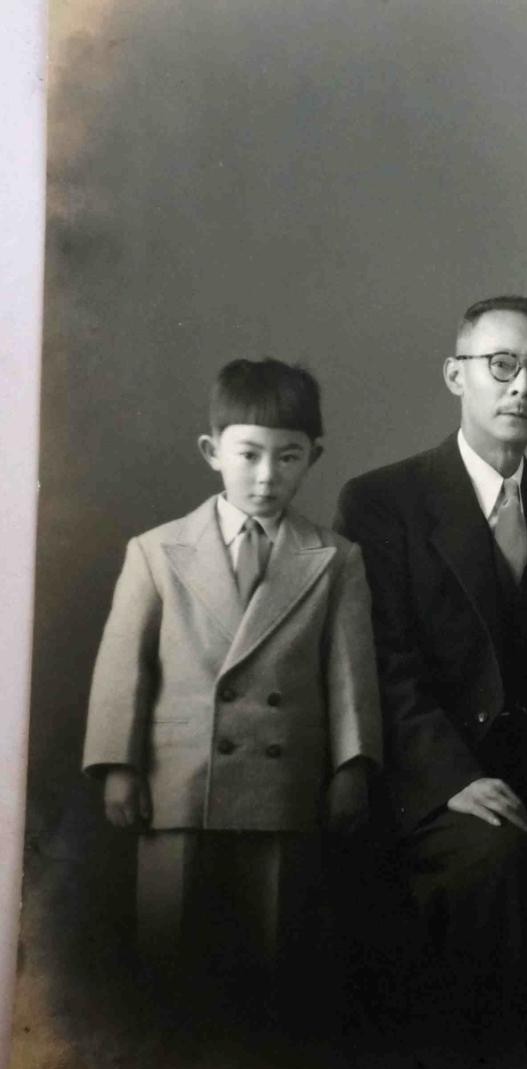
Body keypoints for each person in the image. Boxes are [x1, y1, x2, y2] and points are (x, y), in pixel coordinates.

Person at [334, 296, 527, 1069]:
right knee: (493, 858)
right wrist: (452, 779)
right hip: (430, 776)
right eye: (501, 366)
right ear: (455, 375)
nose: (521, 387)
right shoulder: (383, 500)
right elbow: (381, 664)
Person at [82, 358, 380, 995]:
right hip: (178, 780)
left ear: (314, 456)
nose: (268, 475)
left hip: (284, 783)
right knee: (170, 954)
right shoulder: (156, 551)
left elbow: (349, 675)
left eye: (289, 457)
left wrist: (352, 768)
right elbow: (122, 668)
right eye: (249, 455)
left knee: (274, 957)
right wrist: (117, 765)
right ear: (211, 451)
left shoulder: (335, 559)